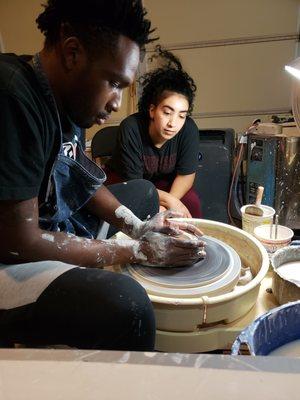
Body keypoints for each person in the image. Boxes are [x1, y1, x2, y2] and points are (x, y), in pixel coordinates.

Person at [0, 1, 206, 351]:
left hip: (44, 228)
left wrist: (135, 226)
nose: (116, 102)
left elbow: (80, 175)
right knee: (128, 306)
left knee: (142, 192)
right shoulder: (12, 96)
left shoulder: (66, 99)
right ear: (73, 53)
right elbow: (18, 242)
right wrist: (134, 250)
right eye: (113, 83)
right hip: (9, 255)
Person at [106, 46, 202, 218]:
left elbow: (186, 175)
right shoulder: (131, 128)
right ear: (152, 110)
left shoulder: (188, 129)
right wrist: (168, 204)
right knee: (137, 212)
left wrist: (172, 203)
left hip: (164, 183)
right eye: (167, 112)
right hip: (127, 181)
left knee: (191, 203)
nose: (173, 123)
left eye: (181, 115)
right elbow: (137, 186)